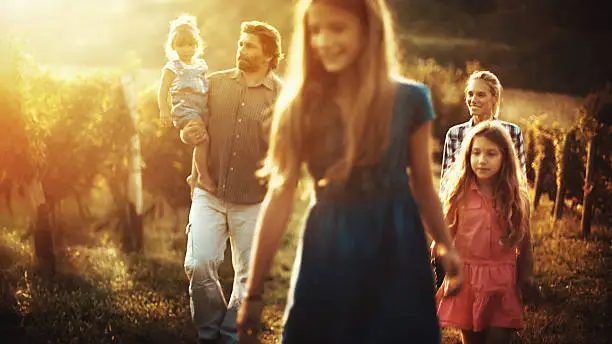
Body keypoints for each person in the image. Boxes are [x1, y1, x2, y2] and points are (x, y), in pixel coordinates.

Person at [237, 0, 463, 343]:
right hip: (328, 247)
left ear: (369, 31)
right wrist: (252, 294)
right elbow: (280, 194)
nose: (323, 40)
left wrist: (446, 247)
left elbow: (423, 185)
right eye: (315, 30)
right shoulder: (299, 106)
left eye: (337, 28)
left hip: (397, 247)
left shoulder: (411, 100)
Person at [179, 21, 283, 344]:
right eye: (240, 43)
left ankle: (229, 336)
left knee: (248, 277)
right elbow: (192, 127)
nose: (241, 50)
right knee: (198, 264)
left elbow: (287, 151)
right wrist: (187, 132)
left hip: (253, 201)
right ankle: (208, 333)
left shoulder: (282, 96)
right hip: (208, 192)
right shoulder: (214, 84)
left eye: (249, 45)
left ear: (269, 54)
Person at [435, 121, 536, 344]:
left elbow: (525, 241)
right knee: (472, 339)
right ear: (468, 156)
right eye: (476, 153)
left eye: (491, 154)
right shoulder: (458, 194)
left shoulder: (516, 198)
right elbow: (443, 235)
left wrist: (526, 276)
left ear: (505, 158)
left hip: (502, 282)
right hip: (467, 280)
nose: (481, 160)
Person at [440, 70, 527, 191]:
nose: (473, 100)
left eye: (480, 95)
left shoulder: (511, 132)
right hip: (464, 206)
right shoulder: (455, 134)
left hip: (500, 205)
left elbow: (520, 182)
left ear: (494, 98)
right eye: (470, 94)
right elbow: (446, 184)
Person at [158, 14, 215, 192]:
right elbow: (162, 90)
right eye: (181, 45)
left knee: (202, 140)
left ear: (196, 45)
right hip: (185, 109)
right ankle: (203, 177)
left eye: (190, 45)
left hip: (201, 109)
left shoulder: (200, 65)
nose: (186, 49)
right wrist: (164, 110)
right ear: (174, 47)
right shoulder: (173, 67)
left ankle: (194, 176)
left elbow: (206, 85)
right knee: (202, 139)